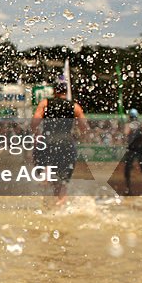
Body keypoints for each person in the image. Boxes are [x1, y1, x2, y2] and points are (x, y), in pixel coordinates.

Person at [30, 78, 89, 206]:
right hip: (67, 144)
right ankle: (60, 205)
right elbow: (84, 127)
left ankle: (46, 198)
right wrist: (79, 138)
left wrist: (37, 134)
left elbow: (34, 123)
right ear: (66, 91)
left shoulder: (45, 103)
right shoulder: (75, 107)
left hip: (48, 142)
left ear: (54, 91)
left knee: (44, 173)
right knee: (63, 181)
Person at [122, 108, 142, 197]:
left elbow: (126, 133)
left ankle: (128, 189)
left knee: (127, 169)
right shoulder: (141, 124)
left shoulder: (128, 124)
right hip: (140, 148)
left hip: (132, 149)